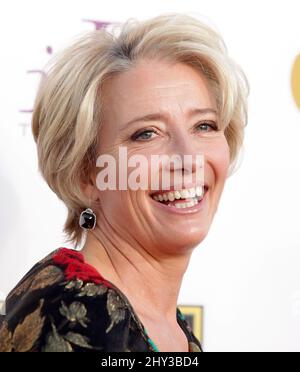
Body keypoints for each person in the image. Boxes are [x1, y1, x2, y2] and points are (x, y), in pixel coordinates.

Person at [0, 12, 248, 352]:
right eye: (146, 133)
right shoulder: (75, 316)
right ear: (86, 173)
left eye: (204, 125)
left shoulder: (165, 327)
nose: (188, 157)